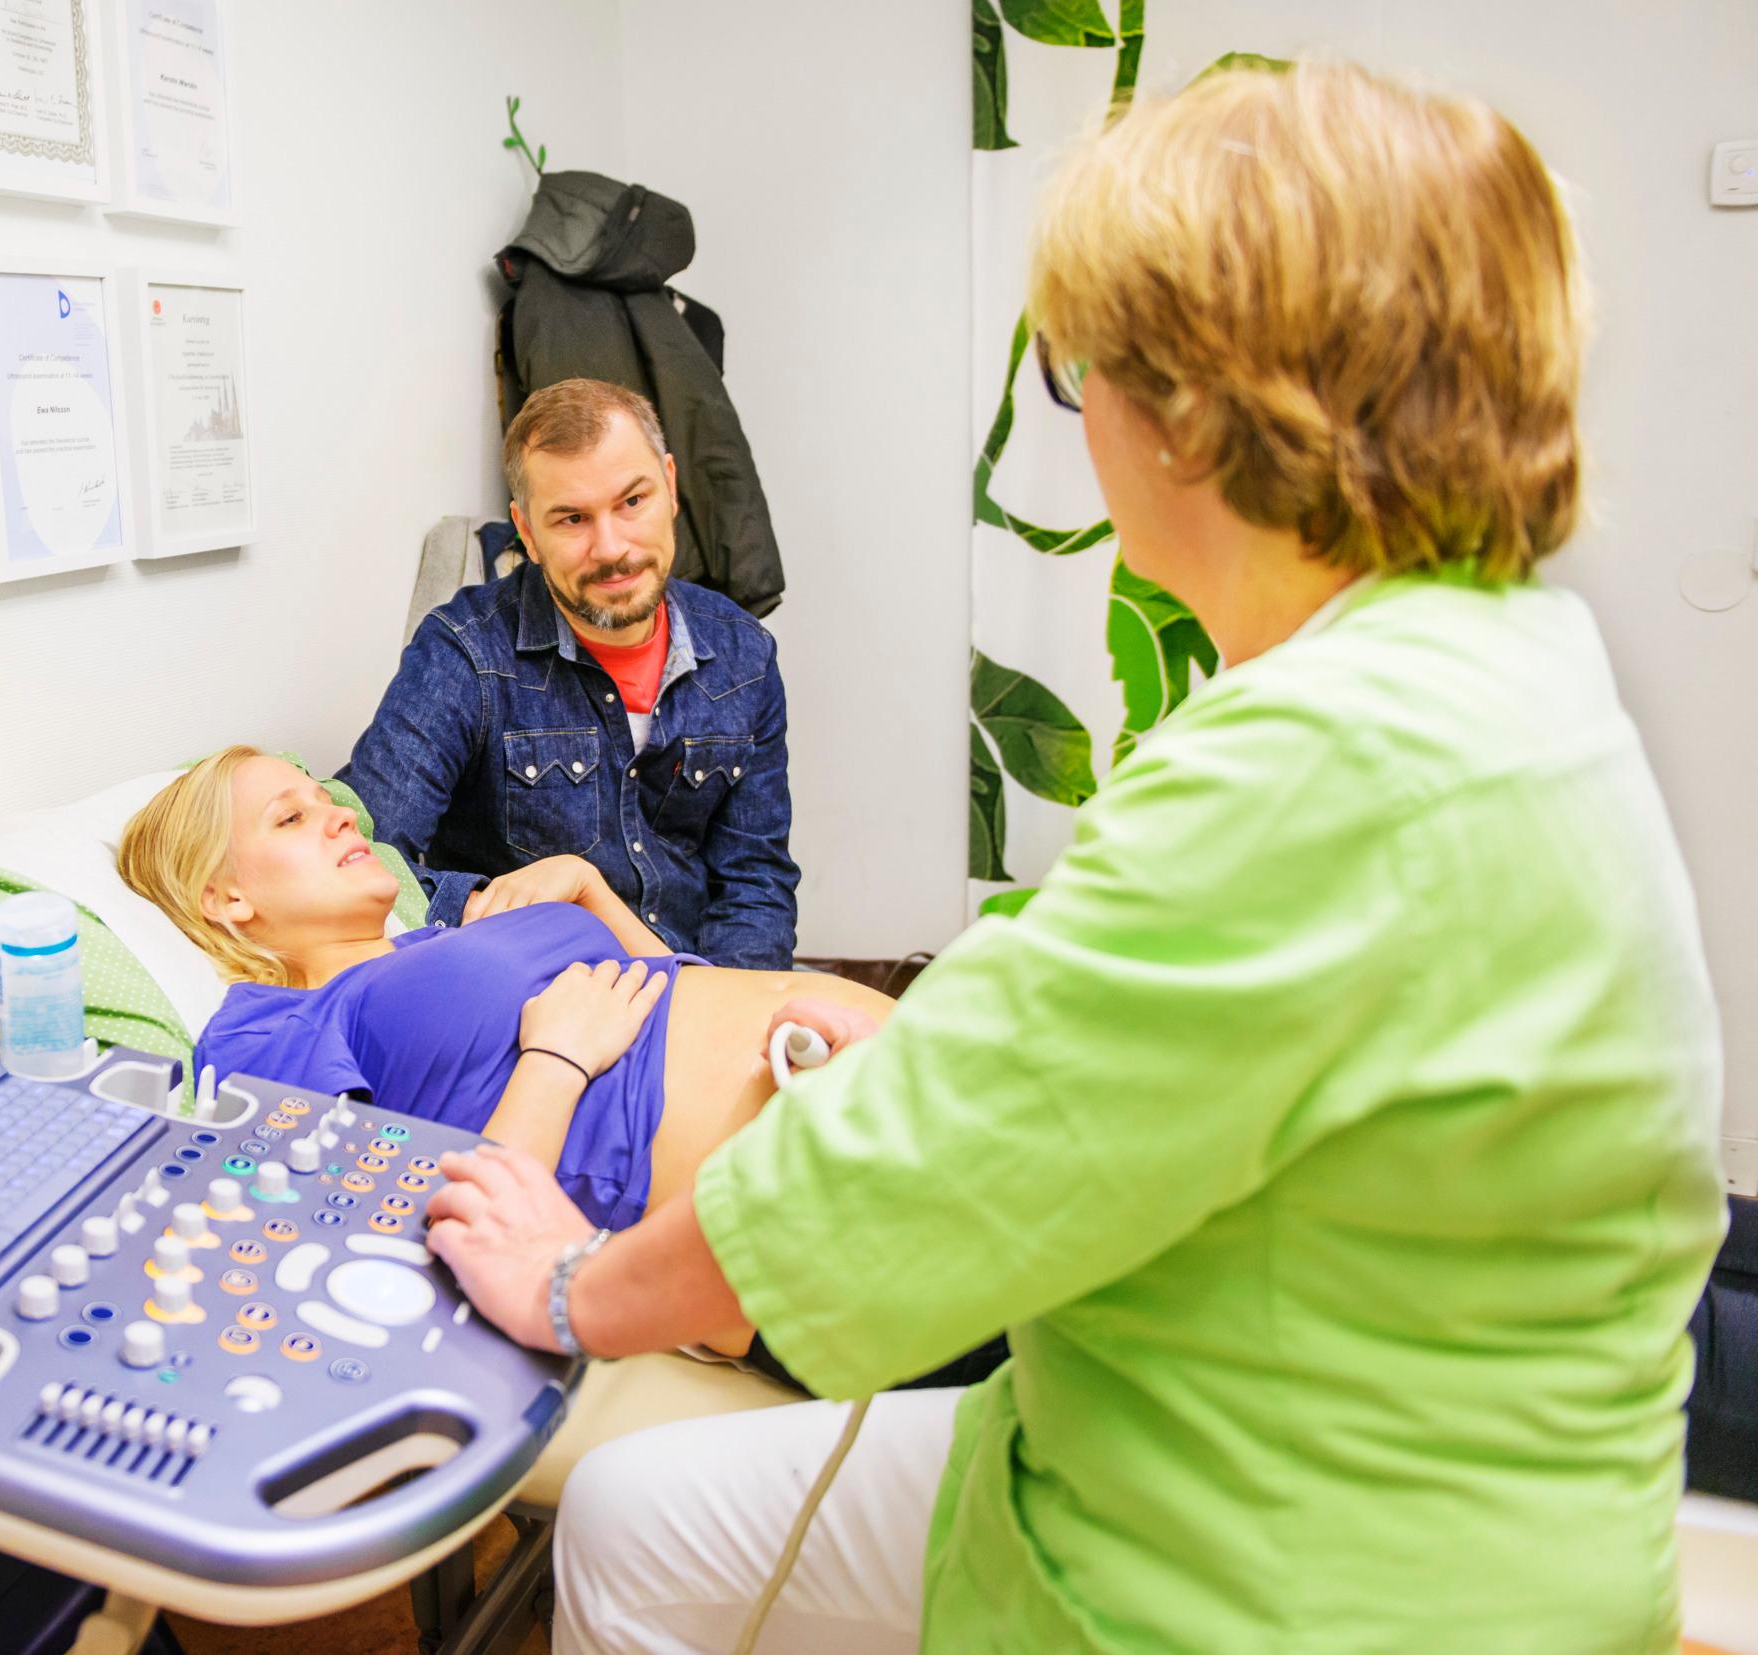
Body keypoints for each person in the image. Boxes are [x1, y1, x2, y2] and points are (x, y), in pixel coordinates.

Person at [421, 62, 1728, 1655]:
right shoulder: (1499, 656)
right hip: (1383, 1438)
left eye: (1075, 374)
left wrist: (570, 1287)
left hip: (1291, 1565)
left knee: (640, 1527)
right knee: (632, 1516)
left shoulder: (1322, 760)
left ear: (1195, 408)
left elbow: (887, 1183)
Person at [116, 745, 886, 1342]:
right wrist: (557, 1062)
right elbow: (372, 1238)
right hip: (804, 1210)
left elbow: (656, 986)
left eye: (329, 802)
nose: (344, 817)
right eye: (290, 818)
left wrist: (590, 884)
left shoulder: (441, 935)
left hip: (874, 1078)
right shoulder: (268, 1026)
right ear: (227, 897)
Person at [340, 378, 799, 969]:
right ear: (527, 531)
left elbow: (754, 882)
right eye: (572, 519)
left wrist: (735, 1008)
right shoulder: (465, 655)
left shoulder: (744, 655)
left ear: (671, 487)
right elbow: (370, 862)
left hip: (699, 984)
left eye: (633, 502)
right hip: (538, 998)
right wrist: (494, 907)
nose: (612, 548)